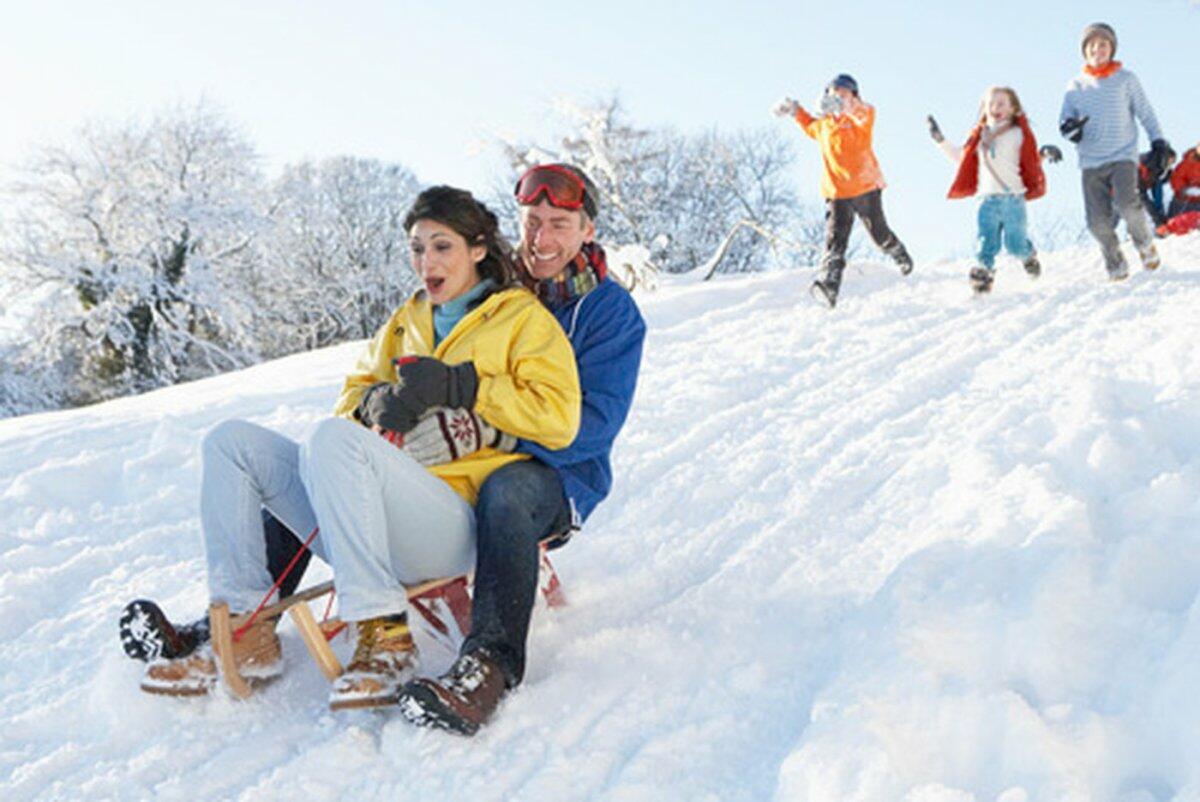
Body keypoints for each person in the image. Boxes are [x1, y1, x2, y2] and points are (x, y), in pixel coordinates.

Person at [136, 186, 582, 712]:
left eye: (442, 246)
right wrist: (373, 403)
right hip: (370, 522)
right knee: (231, 443)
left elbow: (560, 418)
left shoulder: (520, 318)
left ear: (478, 248)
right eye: (417, 248)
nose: (426, 262)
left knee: (330, 441)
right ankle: (245, 630)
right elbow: (349, 398)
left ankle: (386, 639)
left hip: (453, 522)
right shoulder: (405, 321)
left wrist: (467, 388)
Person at [394, 164, 646, 734]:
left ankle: (488, 668)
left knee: (507, 490)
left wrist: (490, 432)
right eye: (532, 222)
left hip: (554, 477)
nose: (542, 238)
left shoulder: (609, 314)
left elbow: (594, 424)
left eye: (560, 223)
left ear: (587, 231)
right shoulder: (496, 292)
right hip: (460, 463)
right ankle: (242, 622)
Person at [774, 74, 914, 308]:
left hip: (865, 187)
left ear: (854, 96)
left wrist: (848, 106)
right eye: (832, 94)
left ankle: (898, 252)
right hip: (836, 192)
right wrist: (794, 109)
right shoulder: (823, 126)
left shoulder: (861, 118)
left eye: (843, 94)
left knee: (878, 234)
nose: (837, 98)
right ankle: (829, 287)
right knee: (835, 241)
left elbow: (864, 112)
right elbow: (808, 123)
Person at [1059, 22, 1172, 280]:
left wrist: (1159, 142)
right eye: (1092, 45)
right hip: (1090, 162)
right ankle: (1115, 260)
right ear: (1084, 51)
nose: (1098, 49)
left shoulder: (1125, 79)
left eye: (1103, 44)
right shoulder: (1075, 86)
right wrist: (1070, 130)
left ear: (1112, 49)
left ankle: (1144, 243)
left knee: (1127, 203)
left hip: (1122, 156)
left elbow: (1145, 112)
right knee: (1097, 222)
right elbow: (1065, 122)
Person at [927, 86, 1059, 293]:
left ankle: (1028, 255)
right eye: (990, 104)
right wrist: (940, 140)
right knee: (986, 241)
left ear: (1013, 108)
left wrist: (1044, 154)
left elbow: (1029, 163)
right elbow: (962, 160)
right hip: (986, 199)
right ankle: (984, 274)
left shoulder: (1018, 133)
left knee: (1015, 245)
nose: (995, 108)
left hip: (1013, 199)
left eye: (1001, 103)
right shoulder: (979, 136)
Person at [1137, 145, 1176, 229]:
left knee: (1157, 187)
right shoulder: (1149, 165)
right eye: (1170, 162)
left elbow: (1159, 179)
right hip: (1129, 187)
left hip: (1142, 182)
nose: (1170, 165)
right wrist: (1158, 221)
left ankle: (1160, 218)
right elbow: (1142, 196)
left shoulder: (1155, 165)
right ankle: (1158, 222)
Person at [1166, 143, 1200, 218]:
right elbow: (1176, 178)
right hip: (1184, 198)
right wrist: (1184, 189)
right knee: (1178, 206)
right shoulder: (1187, 162)